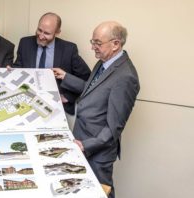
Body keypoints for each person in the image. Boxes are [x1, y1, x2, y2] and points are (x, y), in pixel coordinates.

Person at [53, 21, 140, 198]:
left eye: (97, 43)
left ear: (116, 44)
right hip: (82, 140)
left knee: (101, 193)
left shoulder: (126, 77)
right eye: (92, 41)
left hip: (97, 151)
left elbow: (113, 128)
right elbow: (94, 90)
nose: (93, 47)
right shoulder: (104, 62)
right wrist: (66, 77)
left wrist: (85, 145)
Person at [13, 12, 90, 128]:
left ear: (57, 32)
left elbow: (86, 78)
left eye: (47, 33)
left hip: (57, 108)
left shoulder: (69, 49)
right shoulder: (25, 43)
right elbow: (19, 67)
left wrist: (68, 97)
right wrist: (10, 71)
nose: (41, 36)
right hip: (28, 104)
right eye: (39, 30)